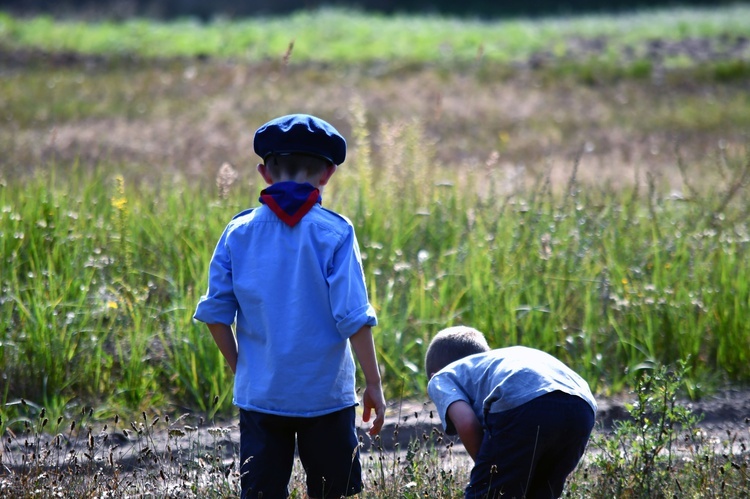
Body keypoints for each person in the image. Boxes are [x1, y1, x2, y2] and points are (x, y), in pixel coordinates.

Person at [194, 113, 386, 499]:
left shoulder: (238, 232)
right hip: (326, 398)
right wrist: (374, 383)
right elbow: (353, 317)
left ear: (265, 173)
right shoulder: (335, 232)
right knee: (332, 491)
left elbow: (215, 314)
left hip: (262, 395)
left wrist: (242, 368)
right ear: (328, 174)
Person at [425, 326, 597, 499]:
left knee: (487, 494)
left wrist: (489, 470)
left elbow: (467, 423)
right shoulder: (502, 360)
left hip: (525, 405)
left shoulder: (441, 377)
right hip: (582, 405)